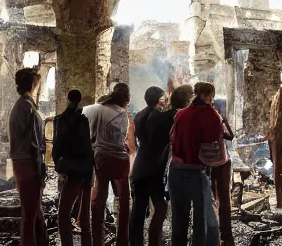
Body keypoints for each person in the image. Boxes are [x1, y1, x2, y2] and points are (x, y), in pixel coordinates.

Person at [169, 82, 223, 246]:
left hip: (176, 170)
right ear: (209, 96)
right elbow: (216, 141)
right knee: (201, 221)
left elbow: (171, 137)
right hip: (196, 171)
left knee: (179, 219)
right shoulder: (212, 115)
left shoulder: (181, 114)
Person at [84, 83, 133, 246]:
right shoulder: (123, 114)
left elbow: (88, 132)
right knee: (124, 200)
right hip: (120, 160)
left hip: (101, 159)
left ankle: (97, 240)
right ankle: (123, 240)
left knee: (99, 199)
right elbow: (123, 141)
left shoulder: (94, 109)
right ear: (126, 99)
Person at [130, 86, 176, 246]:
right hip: (151, 169)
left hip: (140, 166)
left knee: (139, 211)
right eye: (163, 97)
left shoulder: (140, 114)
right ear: (158, 98)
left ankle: (136, 242)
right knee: (160, 208)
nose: (165, 100)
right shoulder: (156, 116)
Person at [8, 68, 49, 246]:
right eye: (37, 84)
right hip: (28, 165)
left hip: (23, 163)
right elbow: (34, 143)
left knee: (32, 212)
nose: (38, 87)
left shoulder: (23, 105)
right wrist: (40, 170)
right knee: (30, 215)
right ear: (33, 84)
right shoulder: (27, 107)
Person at [52, 90, 93, 246]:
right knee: (85, 215)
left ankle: (67, 243)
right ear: (80, 100)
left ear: (67, 99)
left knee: (63, 213)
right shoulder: (84, 120)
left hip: (72, 171)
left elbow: (57, 148)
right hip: (86, 170)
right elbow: (87, 147)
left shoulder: (61, 120)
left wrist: (59, 165)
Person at [212, 100, 236, 246]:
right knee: (224, 199)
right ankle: (226, 234)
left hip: (207, 162)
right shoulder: (218, 119)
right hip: (221, 162)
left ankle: (213, 232)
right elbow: (230, 136)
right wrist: (224, 120)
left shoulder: (204, 118)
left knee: (211, 198)